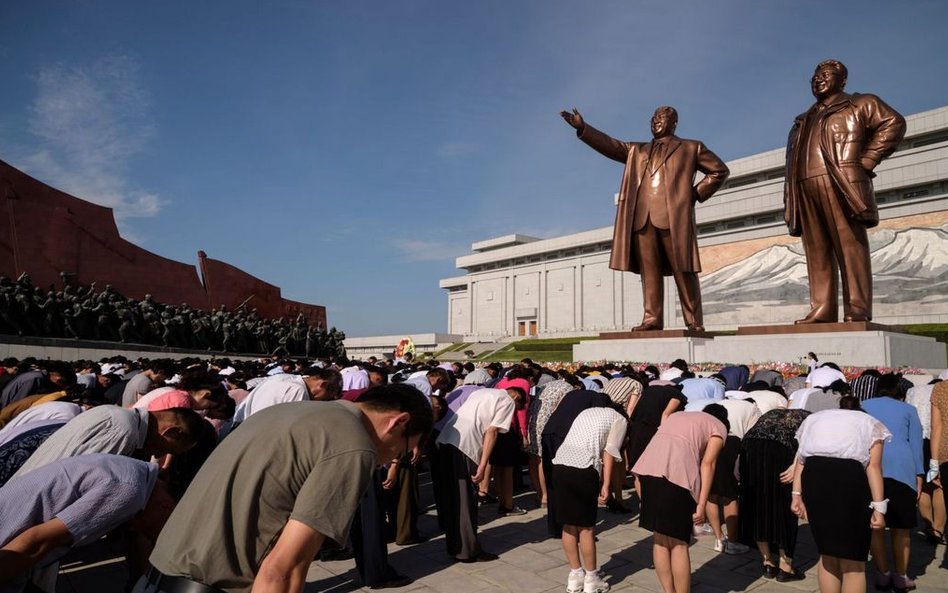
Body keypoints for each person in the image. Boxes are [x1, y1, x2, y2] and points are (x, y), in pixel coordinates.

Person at [135, 383, 433, 593]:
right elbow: (283, 571)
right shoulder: (354, 447)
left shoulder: (287, 412)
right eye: (404, 451)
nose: (395, 459)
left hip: (155, 576)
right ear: (398, 422)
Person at [561, 106, 729, 331]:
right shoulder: (636, 151)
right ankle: (652, 319)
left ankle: (693, 321)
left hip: (673, 217)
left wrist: (694, 194)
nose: (655, 121)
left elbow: (719, 171)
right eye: (653, 118)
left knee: (684, 269)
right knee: (649, 273)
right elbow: (611, 146)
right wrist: (584, 128)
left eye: (661, 117)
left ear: (674, 123)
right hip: (642, 219)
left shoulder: (691, 147)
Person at [784, 60, 906, 323]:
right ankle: (822, 308)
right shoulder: (803, 120)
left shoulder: (860, 104)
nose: (818, 80)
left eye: (826, 75)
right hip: (805, 186)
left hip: (840, 181)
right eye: (815, 77)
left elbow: (893, 123)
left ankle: (857, 307)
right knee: (816, 250)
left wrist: (867, 160)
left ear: (843, 81)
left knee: (850, 245)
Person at [0, 454, 175, 593]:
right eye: (151, 532)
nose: (136, 529)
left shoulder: (131, 470)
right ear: (166, 507)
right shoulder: (129, 491)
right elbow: (34, 543)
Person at [791, 398, 890, 593]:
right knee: (853, 562)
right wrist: (880, 508)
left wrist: (796, 494)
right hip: (849, 480)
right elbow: (874, 467)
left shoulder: (815, 419)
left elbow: (801, 459)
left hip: (814, 477)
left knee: (827, 555)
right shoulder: (870, 423)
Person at [631, 404, 728, 593]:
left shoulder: (679, 416)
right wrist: (701, 505)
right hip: (676, 477)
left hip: (648, 471)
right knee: (678, 544)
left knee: (659, 540)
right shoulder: (719, 426)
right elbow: (708, 465)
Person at [435, 386, 524, 562]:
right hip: (464, 446)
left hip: (446, 439)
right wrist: (483, 465)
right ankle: (467, 551)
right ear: (516, 398)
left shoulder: (482, 392)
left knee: (453, 498)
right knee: (465, 500)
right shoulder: (506, 401)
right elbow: (491, 431)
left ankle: (455, 545)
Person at [11, 405, 203, 480]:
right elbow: (74, 482)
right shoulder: (123, 431)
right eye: (169, 449)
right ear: (172, 432)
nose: (159, 455)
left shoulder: (118, 415)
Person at [551, 406, 627, 593]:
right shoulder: (620, 420)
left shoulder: (586, 411)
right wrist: (606, 484)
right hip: (584, 468)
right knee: (586, 528)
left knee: (568, 525)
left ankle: (575, 575)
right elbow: (609, 451)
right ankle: (592, 579)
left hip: (560, 464)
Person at [862, 374, 924, 591]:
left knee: (875, 525)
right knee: (901, 528)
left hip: (869, 468)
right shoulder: (908, 410)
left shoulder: (863, 405)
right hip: (902, 469)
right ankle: (901, 576)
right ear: (899, 390)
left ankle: (882, 573)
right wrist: (919, 475)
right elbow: (916, 445)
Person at [738, 408, 811, 581]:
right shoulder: (811, 418)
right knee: (784, 505)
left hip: (751, 447)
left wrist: (739, 463)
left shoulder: (773, 413)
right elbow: (808, 445)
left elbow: (748, 435)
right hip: (782, 449)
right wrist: (796, 466)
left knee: (758, 503)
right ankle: (786, 567)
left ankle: (768, 563)